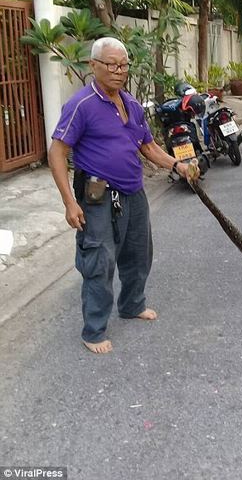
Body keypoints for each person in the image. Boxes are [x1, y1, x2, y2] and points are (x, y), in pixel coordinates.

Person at [48, 37, 197, 354]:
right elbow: (57, 152)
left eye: (123, 65)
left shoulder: (130, 103)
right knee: (100, 261)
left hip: (133, 191)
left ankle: (132, 304)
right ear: (93, 66)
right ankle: (94, 330)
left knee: (138, 253)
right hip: (97, 196)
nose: (118, 71)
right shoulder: (81, 105)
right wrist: (69, 202)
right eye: (111, 64)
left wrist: (178, 165)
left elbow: (148, 146)